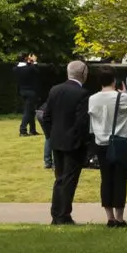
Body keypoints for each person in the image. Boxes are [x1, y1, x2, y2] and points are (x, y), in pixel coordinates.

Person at [88, 65, 127, 227]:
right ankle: (119, 217)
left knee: (106, 179)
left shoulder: (92, 98)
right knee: (120, 179)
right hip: (120, 142)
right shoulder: (123, 97)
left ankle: (109, 216)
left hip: (101, 142)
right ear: (115, 80)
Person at [45, 60, 90, 225]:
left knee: (60, 178)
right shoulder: (82, 94)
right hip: (73, 142)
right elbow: (82, 122)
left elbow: (46, 116)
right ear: (84, 74)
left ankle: (57, 213)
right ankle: (63, 215)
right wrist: (84, 141)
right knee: (69, 179)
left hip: (57, 140)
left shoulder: (55, 90)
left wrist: (51, 135)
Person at [15, 53, 41, 135]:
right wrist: (34, 62)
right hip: (31, 92)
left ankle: (32, 130)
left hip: (22, 91)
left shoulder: (15, 69)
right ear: (25, 58)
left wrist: (29, 62)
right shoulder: (30, 68)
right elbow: (37, 72)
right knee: (28, 111)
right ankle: (23, 130)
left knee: (31, 110)